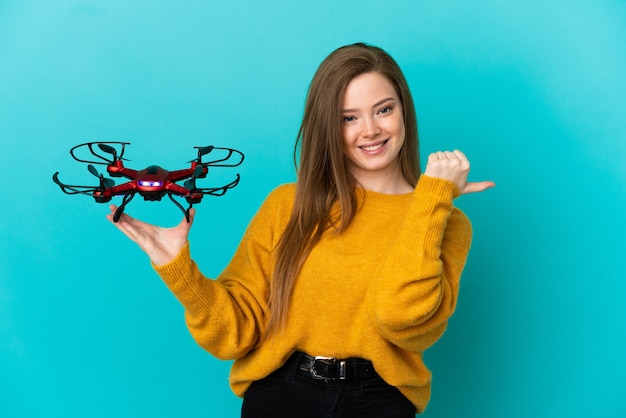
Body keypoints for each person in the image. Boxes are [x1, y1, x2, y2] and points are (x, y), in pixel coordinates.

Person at [108, 42, 494, 417]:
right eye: (349, 117)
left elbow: (402, 320)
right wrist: (179, 269)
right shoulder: (288, 205)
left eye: (384, 109)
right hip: (281, 395)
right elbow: (236, 333)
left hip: (380, 400)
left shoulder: (445, 222)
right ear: (328, 125)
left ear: (404, 112)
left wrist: (430, 202)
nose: (371, 130)